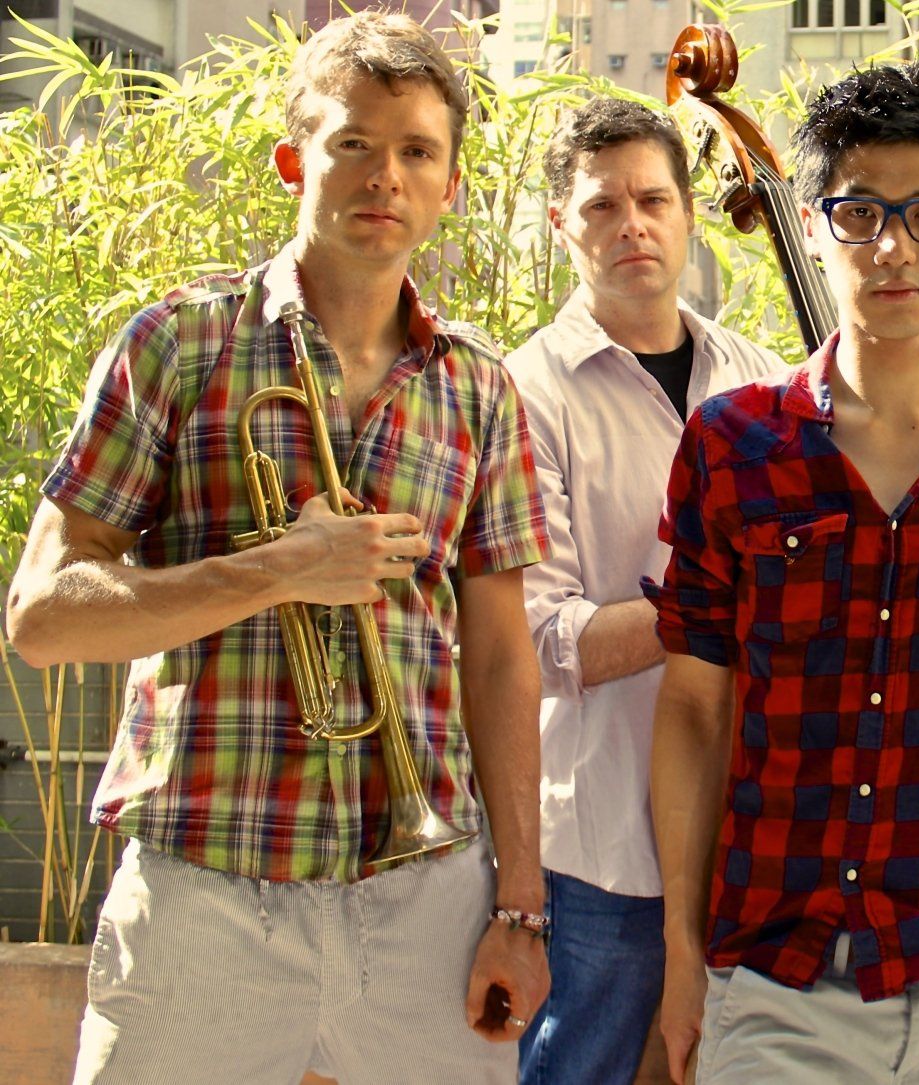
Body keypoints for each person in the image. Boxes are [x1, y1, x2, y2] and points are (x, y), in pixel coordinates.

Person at [5, 11, 550, 1082]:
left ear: (449, 185)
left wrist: (519, 902)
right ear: (294, 159)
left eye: (415, 152)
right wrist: (278, 567)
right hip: (206, 885)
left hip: (425, 896)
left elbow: (498, 657)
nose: (383, 176)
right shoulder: (174, 344)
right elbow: (41, 616)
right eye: (353, 143)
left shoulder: (481, 387)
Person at [643, 63, 919, 1085]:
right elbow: (695, 710)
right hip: (777, 963)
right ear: (811, 221)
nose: (893, 247)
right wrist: (679, 948)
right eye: (860, 213)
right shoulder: (730, 440)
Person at [507, 95, 784, 1085]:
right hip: (603, 846)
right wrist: (723, 591)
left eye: (654, 199)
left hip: (755, 830)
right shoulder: (522, 393)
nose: (632, 222)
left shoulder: (766, 383)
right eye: (601, 205)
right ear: (560, 226)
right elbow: (547, 639)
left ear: (690, 213)